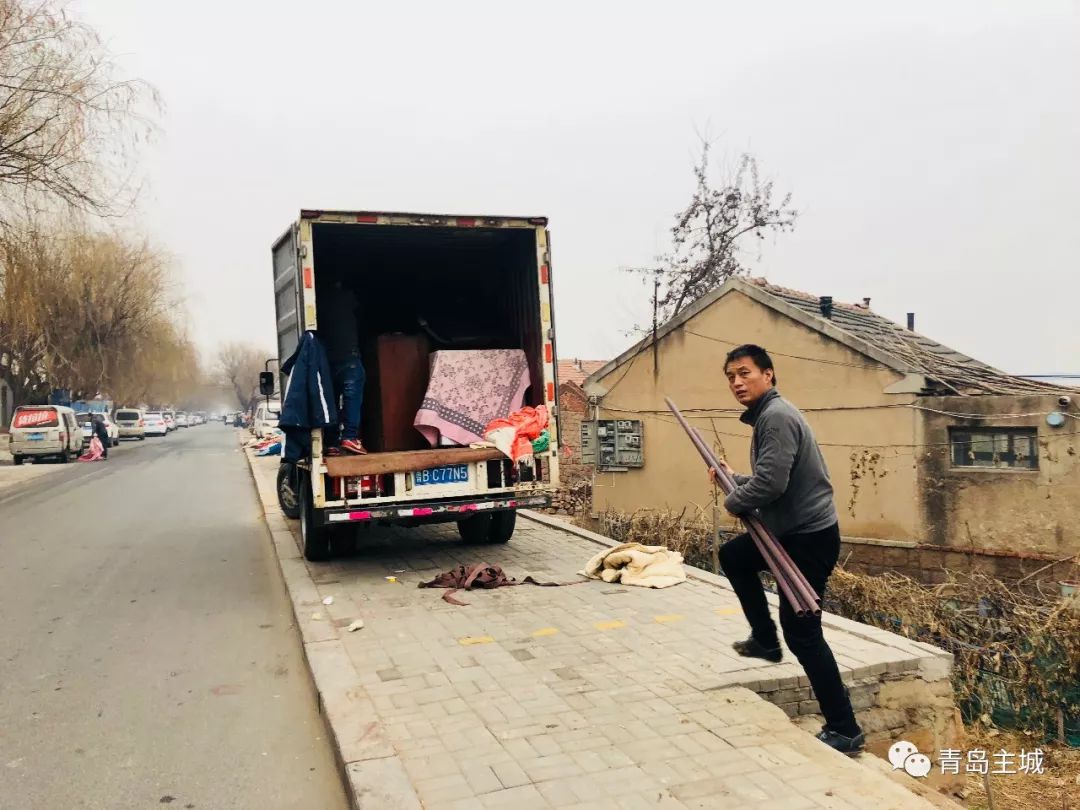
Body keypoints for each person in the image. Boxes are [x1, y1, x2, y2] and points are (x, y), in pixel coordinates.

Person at [713, 344, 864, 755]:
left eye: (744, 373)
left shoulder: (776, 417)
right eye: (730, 376)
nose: (737, 382)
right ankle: (764, 640)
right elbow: (771, 477)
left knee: (803, 632)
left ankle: (845, 728)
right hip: (788, 533)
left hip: (807, 539)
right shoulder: (770, 415)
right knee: (734, 557)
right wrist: (733, 478)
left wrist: (733, 500)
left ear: (768, 374)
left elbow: (771, 485)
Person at [320, 279, 367, 455]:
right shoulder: (349, 297)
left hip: (328, 361)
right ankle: (350, 437)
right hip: (349, 358)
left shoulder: (320, 303)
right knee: (352, 398)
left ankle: (331, 443)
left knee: (331, 401)